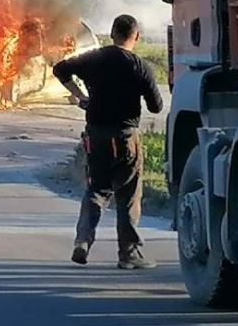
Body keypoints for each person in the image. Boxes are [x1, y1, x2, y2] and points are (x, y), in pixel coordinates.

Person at [53, 14, 164, 270]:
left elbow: (60, 69)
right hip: (126, 138)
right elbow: (157, 107)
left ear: (112, 34)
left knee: (96, 189)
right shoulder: (139, 66)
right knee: (127, 195)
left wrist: (82, 97)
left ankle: (82, 240)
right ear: (136, 37)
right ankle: (129, 254)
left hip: (96, 135)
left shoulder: (93, 58)